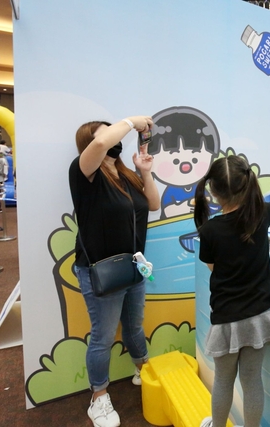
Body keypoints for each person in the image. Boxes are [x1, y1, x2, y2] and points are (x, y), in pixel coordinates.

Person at [68, 116, 159, 427]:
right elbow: (101, 143)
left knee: (134, 326)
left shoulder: (125, 175)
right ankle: (99, 396)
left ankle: (142, 369)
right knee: (103, 337)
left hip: (134, 266)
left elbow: (153, 205)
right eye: (107, 133)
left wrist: (144, 171)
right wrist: (131, 121)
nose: (113, 138)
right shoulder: (84, 173)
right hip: (101, 270)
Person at [194, 156, 270, 427]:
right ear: (247, 184)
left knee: (223, 380)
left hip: (226, 318)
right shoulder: (261, 215)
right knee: (252, 380)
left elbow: (213, 267)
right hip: (258, 316)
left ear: (213, 191)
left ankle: (217, 424)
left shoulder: (210, 230)